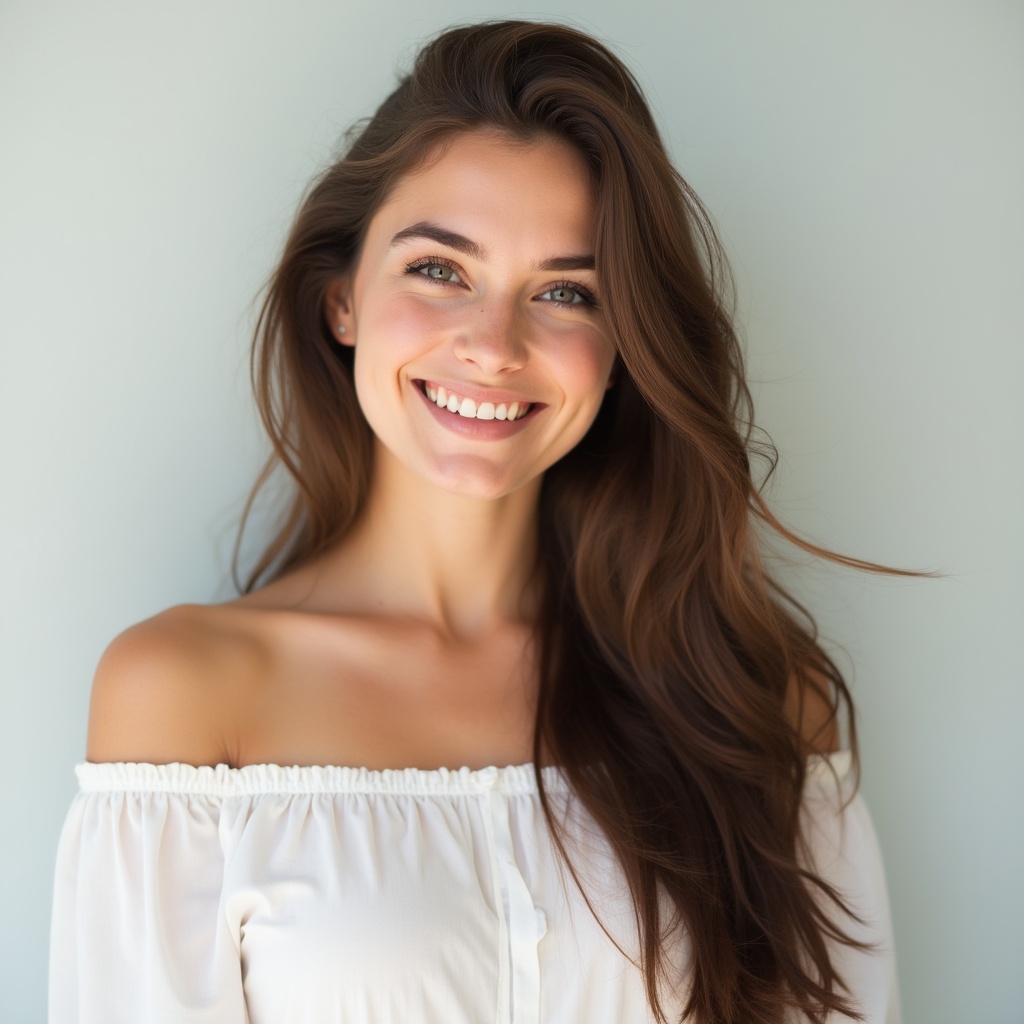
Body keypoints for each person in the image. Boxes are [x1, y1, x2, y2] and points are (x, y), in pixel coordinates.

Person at [48, 20, 900, 1024]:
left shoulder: (750, 694)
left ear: (622, 346)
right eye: (439, 271)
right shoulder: (186, 697)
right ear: (342, 302)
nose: (493, 346)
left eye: (565, 291)